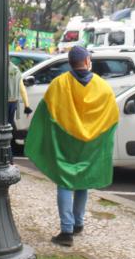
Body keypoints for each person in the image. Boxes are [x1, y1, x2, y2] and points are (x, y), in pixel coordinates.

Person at [24, 45, 119, 247]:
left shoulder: (59, 84)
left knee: (65, 182)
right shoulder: (103, 87)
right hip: (90, 145)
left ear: (71, 62)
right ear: (87, 61)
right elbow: (112, 117)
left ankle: (66, 231)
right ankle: (78, 223)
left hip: (64, 143)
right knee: (82, 181)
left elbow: (45, 113)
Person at [8, 61, 32, 146]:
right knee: (9, 125)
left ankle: (23, 136)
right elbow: (22, 89)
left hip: (4, 103)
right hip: (13, 102)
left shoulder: (1, 69)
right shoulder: (16, 70)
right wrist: (27, 106)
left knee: (4, 127)